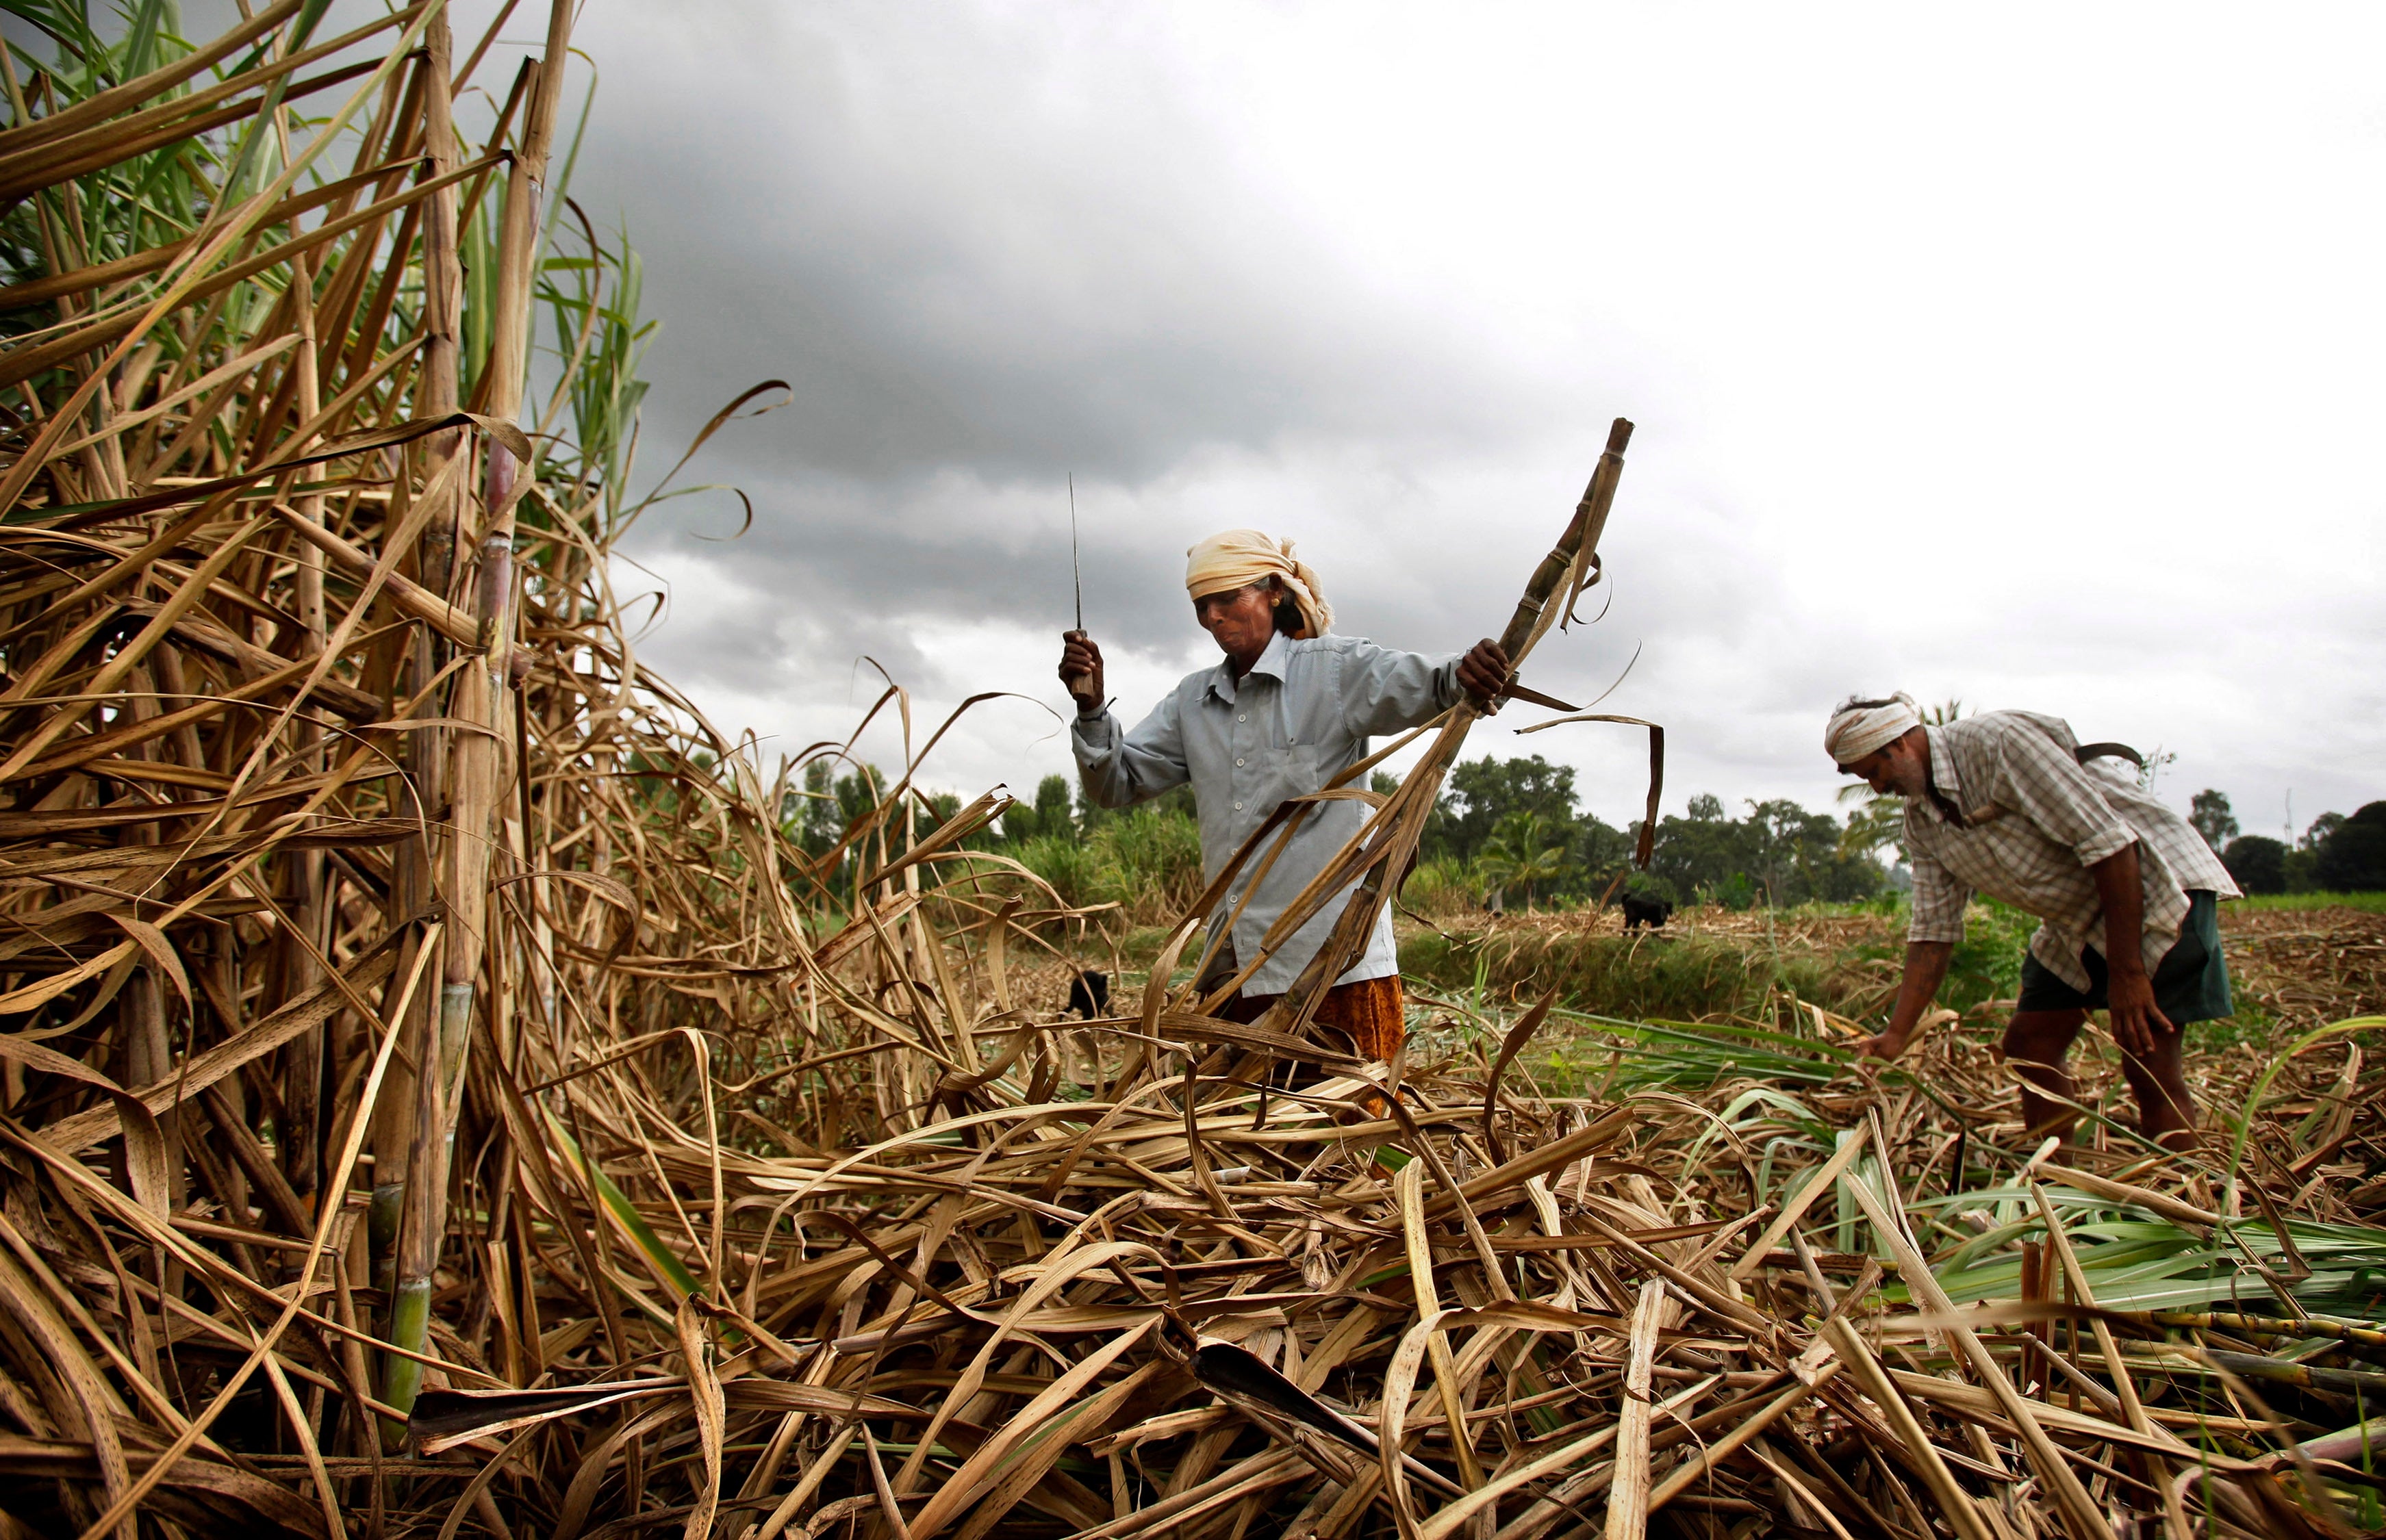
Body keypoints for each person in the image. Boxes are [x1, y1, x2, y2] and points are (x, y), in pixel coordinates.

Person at [1059, 530, 1509, 1062]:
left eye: (1228, 599)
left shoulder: (1333, 672)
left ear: (1274, 591)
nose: (1213, 618)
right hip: (1234, 980)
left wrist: (1468, 673)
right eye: (1203, 606)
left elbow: (1432, 684)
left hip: (1331, 973)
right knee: (1239, 1140)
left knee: (1342, 1137)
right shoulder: (1193, 702)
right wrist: (1090, 711)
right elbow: (1117, 782)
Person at [1827, 694, 2239, 1149]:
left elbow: (2110, 845)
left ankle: (2179, 1200)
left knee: (2147, 1060)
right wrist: (1897, 1034)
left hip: (2154, 889)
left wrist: (2127, 973)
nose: (1878, 788)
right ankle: (2059, 1190)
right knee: (2030, 1047)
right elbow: (1932, 931)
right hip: (2077, 916)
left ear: (1899, 742)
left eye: (1874, 772)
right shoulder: (1923, 823)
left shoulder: (1998, 744)